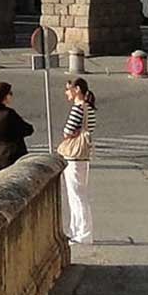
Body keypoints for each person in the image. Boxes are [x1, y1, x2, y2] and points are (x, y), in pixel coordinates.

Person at [59, 78, 97, 245]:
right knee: (79, 193)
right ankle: (76, 231)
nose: (66, 92)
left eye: (69, 89)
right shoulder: (89, 107)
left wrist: (70, 134)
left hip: (74, 156)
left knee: (76, 195)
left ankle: (83, 234)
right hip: (83, 156)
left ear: (77, 89)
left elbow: (67, 131)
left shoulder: (78, 108)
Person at [0, 82, 33, 173]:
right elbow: (27, 129)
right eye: (10, 93)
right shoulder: (8, 114)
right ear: (5, 96)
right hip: (11, 155)